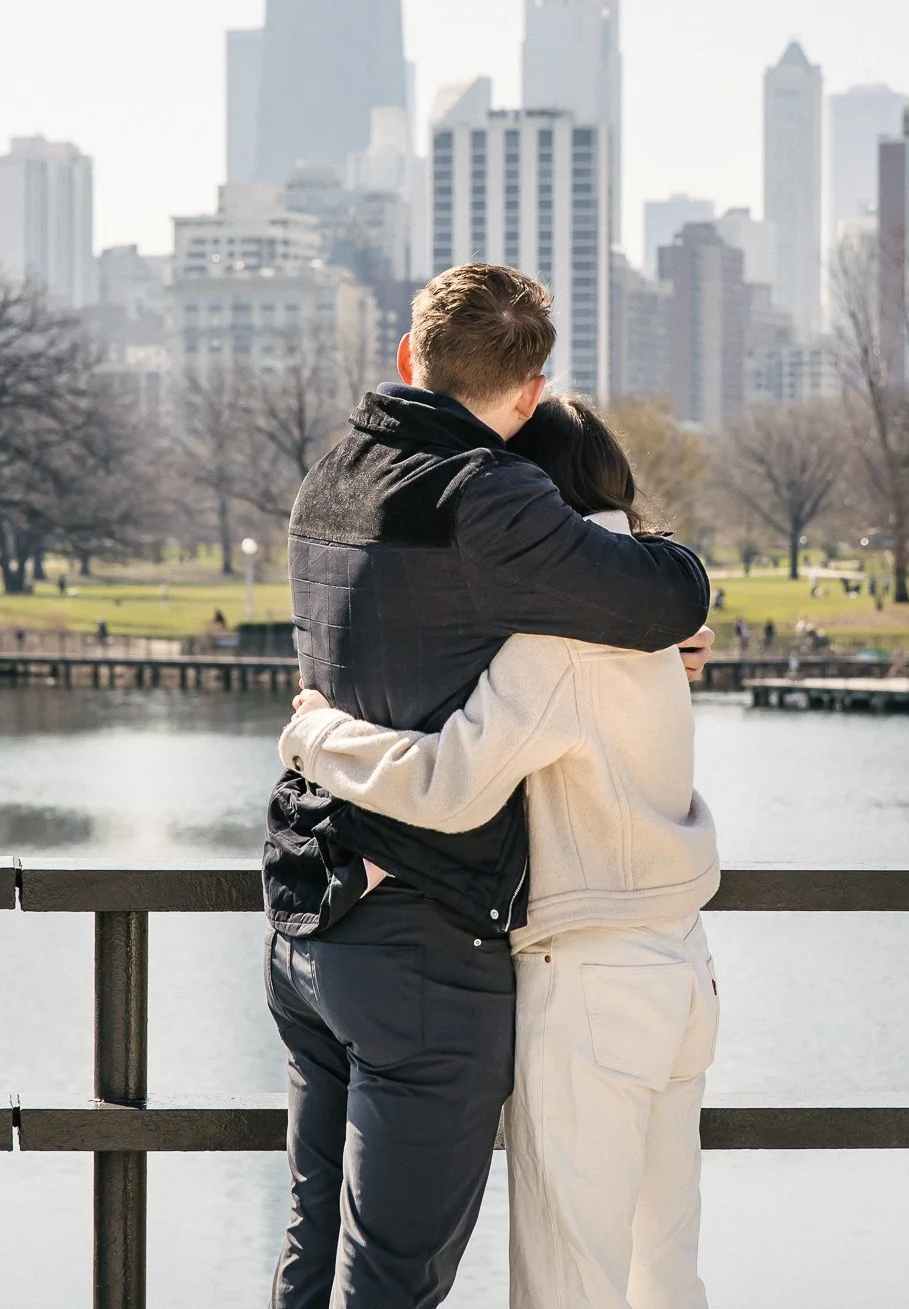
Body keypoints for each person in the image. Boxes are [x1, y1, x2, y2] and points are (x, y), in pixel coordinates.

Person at [264, 265, 711, 1309]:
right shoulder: (490, 499)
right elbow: (667, 588)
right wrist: (653, 622)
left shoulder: (330, 469)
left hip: (309, 910)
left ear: (408, 356)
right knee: (403, 1275)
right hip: (433, 937)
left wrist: (312, 735)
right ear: (527, 385)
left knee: (312, 1241)